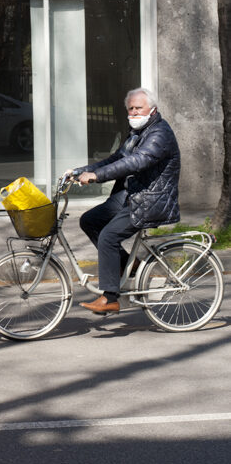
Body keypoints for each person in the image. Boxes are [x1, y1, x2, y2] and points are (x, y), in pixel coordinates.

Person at [69, 87, 181, 314]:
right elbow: (116, 159)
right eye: (130, 109)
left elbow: (136, 162)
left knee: (109, 236)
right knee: (90, 220)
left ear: (152, 110)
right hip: (132, 195)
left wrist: (97, 176)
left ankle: (110, 297)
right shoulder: (136, 134)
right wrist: (82, 171)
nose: (133, 112)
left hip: (150, 200)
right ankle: (130, 265)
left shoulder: (160, 133)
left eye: (138, 108)